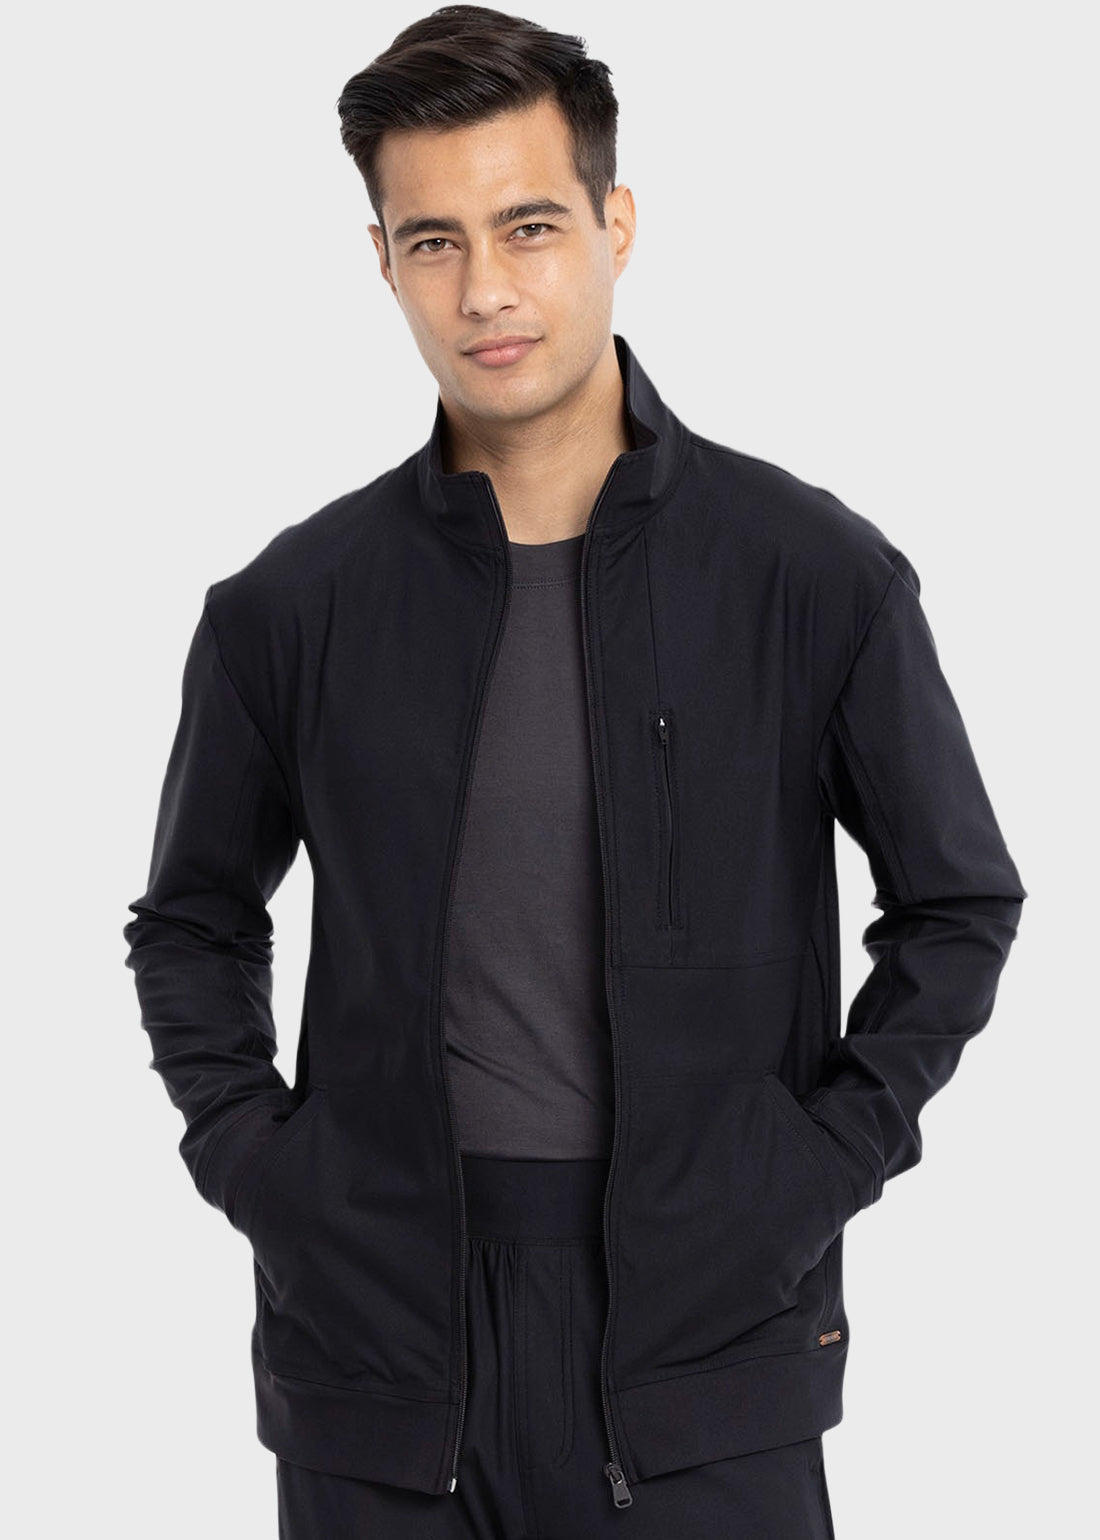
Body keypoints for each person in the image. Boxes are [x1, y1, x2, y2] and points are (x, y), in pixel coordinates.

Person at [122, 6, 1028, 1536]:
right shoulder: (293, 607)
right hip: (380, 1341)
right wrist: (262, 1165)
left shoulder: (810, 576)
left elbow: (958, 904)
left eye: (529, 226)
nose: (485, 288)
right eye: (434, 241)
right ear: (382, 260)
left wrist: (814, 1165)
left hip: (710, 1340)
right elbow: (194, 922)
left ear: (617, 224)